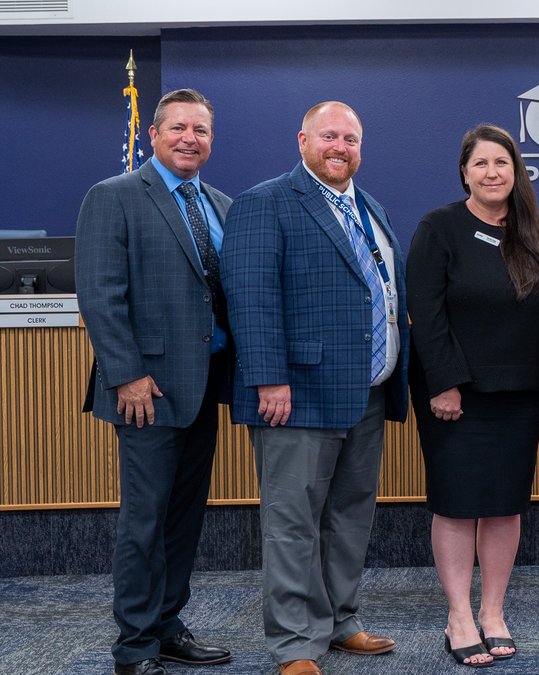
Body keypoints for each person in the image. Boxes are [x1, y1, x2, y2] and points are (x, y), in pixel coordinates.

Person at [221, 101, 409, 675]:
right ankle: (295, 643)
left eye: (350, 139)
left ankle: (340, 621)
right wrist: (269, 378)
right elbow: (249, 300)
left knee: (350, 514)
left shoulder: (368, 206)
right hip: (296, 391)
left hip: (367, 391)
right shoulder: (266, 201)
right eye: (329, 136)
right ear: (302, 140)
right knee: (293, 520)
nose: (340, 147)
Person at [76, 88, 234, 675]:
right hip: (146, 390)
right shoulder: (114, 197)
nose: (191, 138)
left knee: (184, 517)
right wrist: (128, 374)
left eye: (202, 130)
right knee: (144, 520)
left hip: (205, 385)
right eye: (179, 128)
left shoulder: (219, 202)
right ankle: (134, 645)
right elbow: (100, 295)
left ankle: (168, 625)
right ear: (154, 135)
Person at [406, 124, 539, 668]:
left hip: (521, 394)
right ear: (464, 172)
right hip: (455, 396)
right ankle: (458, 615)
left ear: (516, 172)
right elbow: (425, 310)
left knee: (503, 506)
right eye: (481, 164)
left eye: (502, 163)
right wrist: (444, 381)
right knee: (457, 503)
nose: (492, 173)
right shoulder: (439, 227)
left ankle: (492, 612)